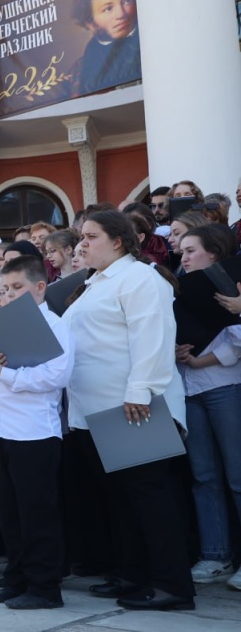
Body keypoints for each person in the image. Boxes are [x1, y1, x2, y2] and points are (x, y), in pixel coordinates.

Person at [64, 210, 194, 611]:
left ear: (118, 240)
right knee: (122, 500)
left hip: (133, 406)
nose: (82, 244)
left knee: (150, 498)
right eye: (81, 237)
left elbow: (152, 336)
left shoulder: (140, 277)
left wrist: (140, 391)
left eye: (90, 236)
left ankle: (173, 585)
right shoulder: (94, 284)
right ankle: (133, 574)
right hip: (95, 411)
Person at [0, 256, 73, 610]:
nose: (9, 295)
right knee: (9, 512)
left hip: (34, 432)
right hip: (1, 428)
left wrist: (6, 375)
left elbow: (57, 376)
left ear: (39, 288)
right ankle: (17, 577)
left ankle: (45, 587)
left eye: (17, 288)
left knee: (37, 514)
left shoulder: (53, 324)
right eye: (4, 290)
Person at [173, 225, 241, 589]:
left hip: (225, 387)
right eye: (181, 251)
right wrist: (179, 352)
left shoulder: (229, 284)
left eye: (191, 250)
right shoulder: (178, 290)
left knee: (237, 475)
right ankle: (216, 555)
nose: (183, 257)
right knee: (203, 476)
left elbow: (239, 339)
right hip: (189, 390)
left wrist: (205, 360)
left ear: (213, 253)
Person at [71, 0, 141, 96]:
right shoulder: (78, 72)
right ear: (90, 22)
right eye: (108, 9)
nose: (121, 14)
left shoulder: (156, 42)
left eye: (126, 1)